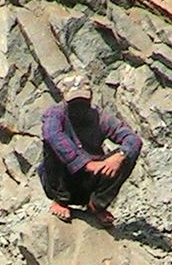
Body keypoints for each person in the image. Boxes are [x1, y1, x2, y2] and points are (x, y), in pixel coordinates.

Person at [37, 73, 143, 228]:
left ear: (90, 98)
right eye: (74, 102)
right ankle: (60, 201)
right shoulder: (55, 114)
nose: (79, 106)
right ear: (65, 99)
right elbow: (52, 134)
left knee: (127, 154)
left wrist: (120, 156)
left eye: (83, 101)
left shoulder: (100, 117)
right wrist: (84, 163)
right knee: (52, 145)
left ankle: (96, 204)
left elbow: (133, 140)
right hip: (61, 180)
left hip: (89, 182)